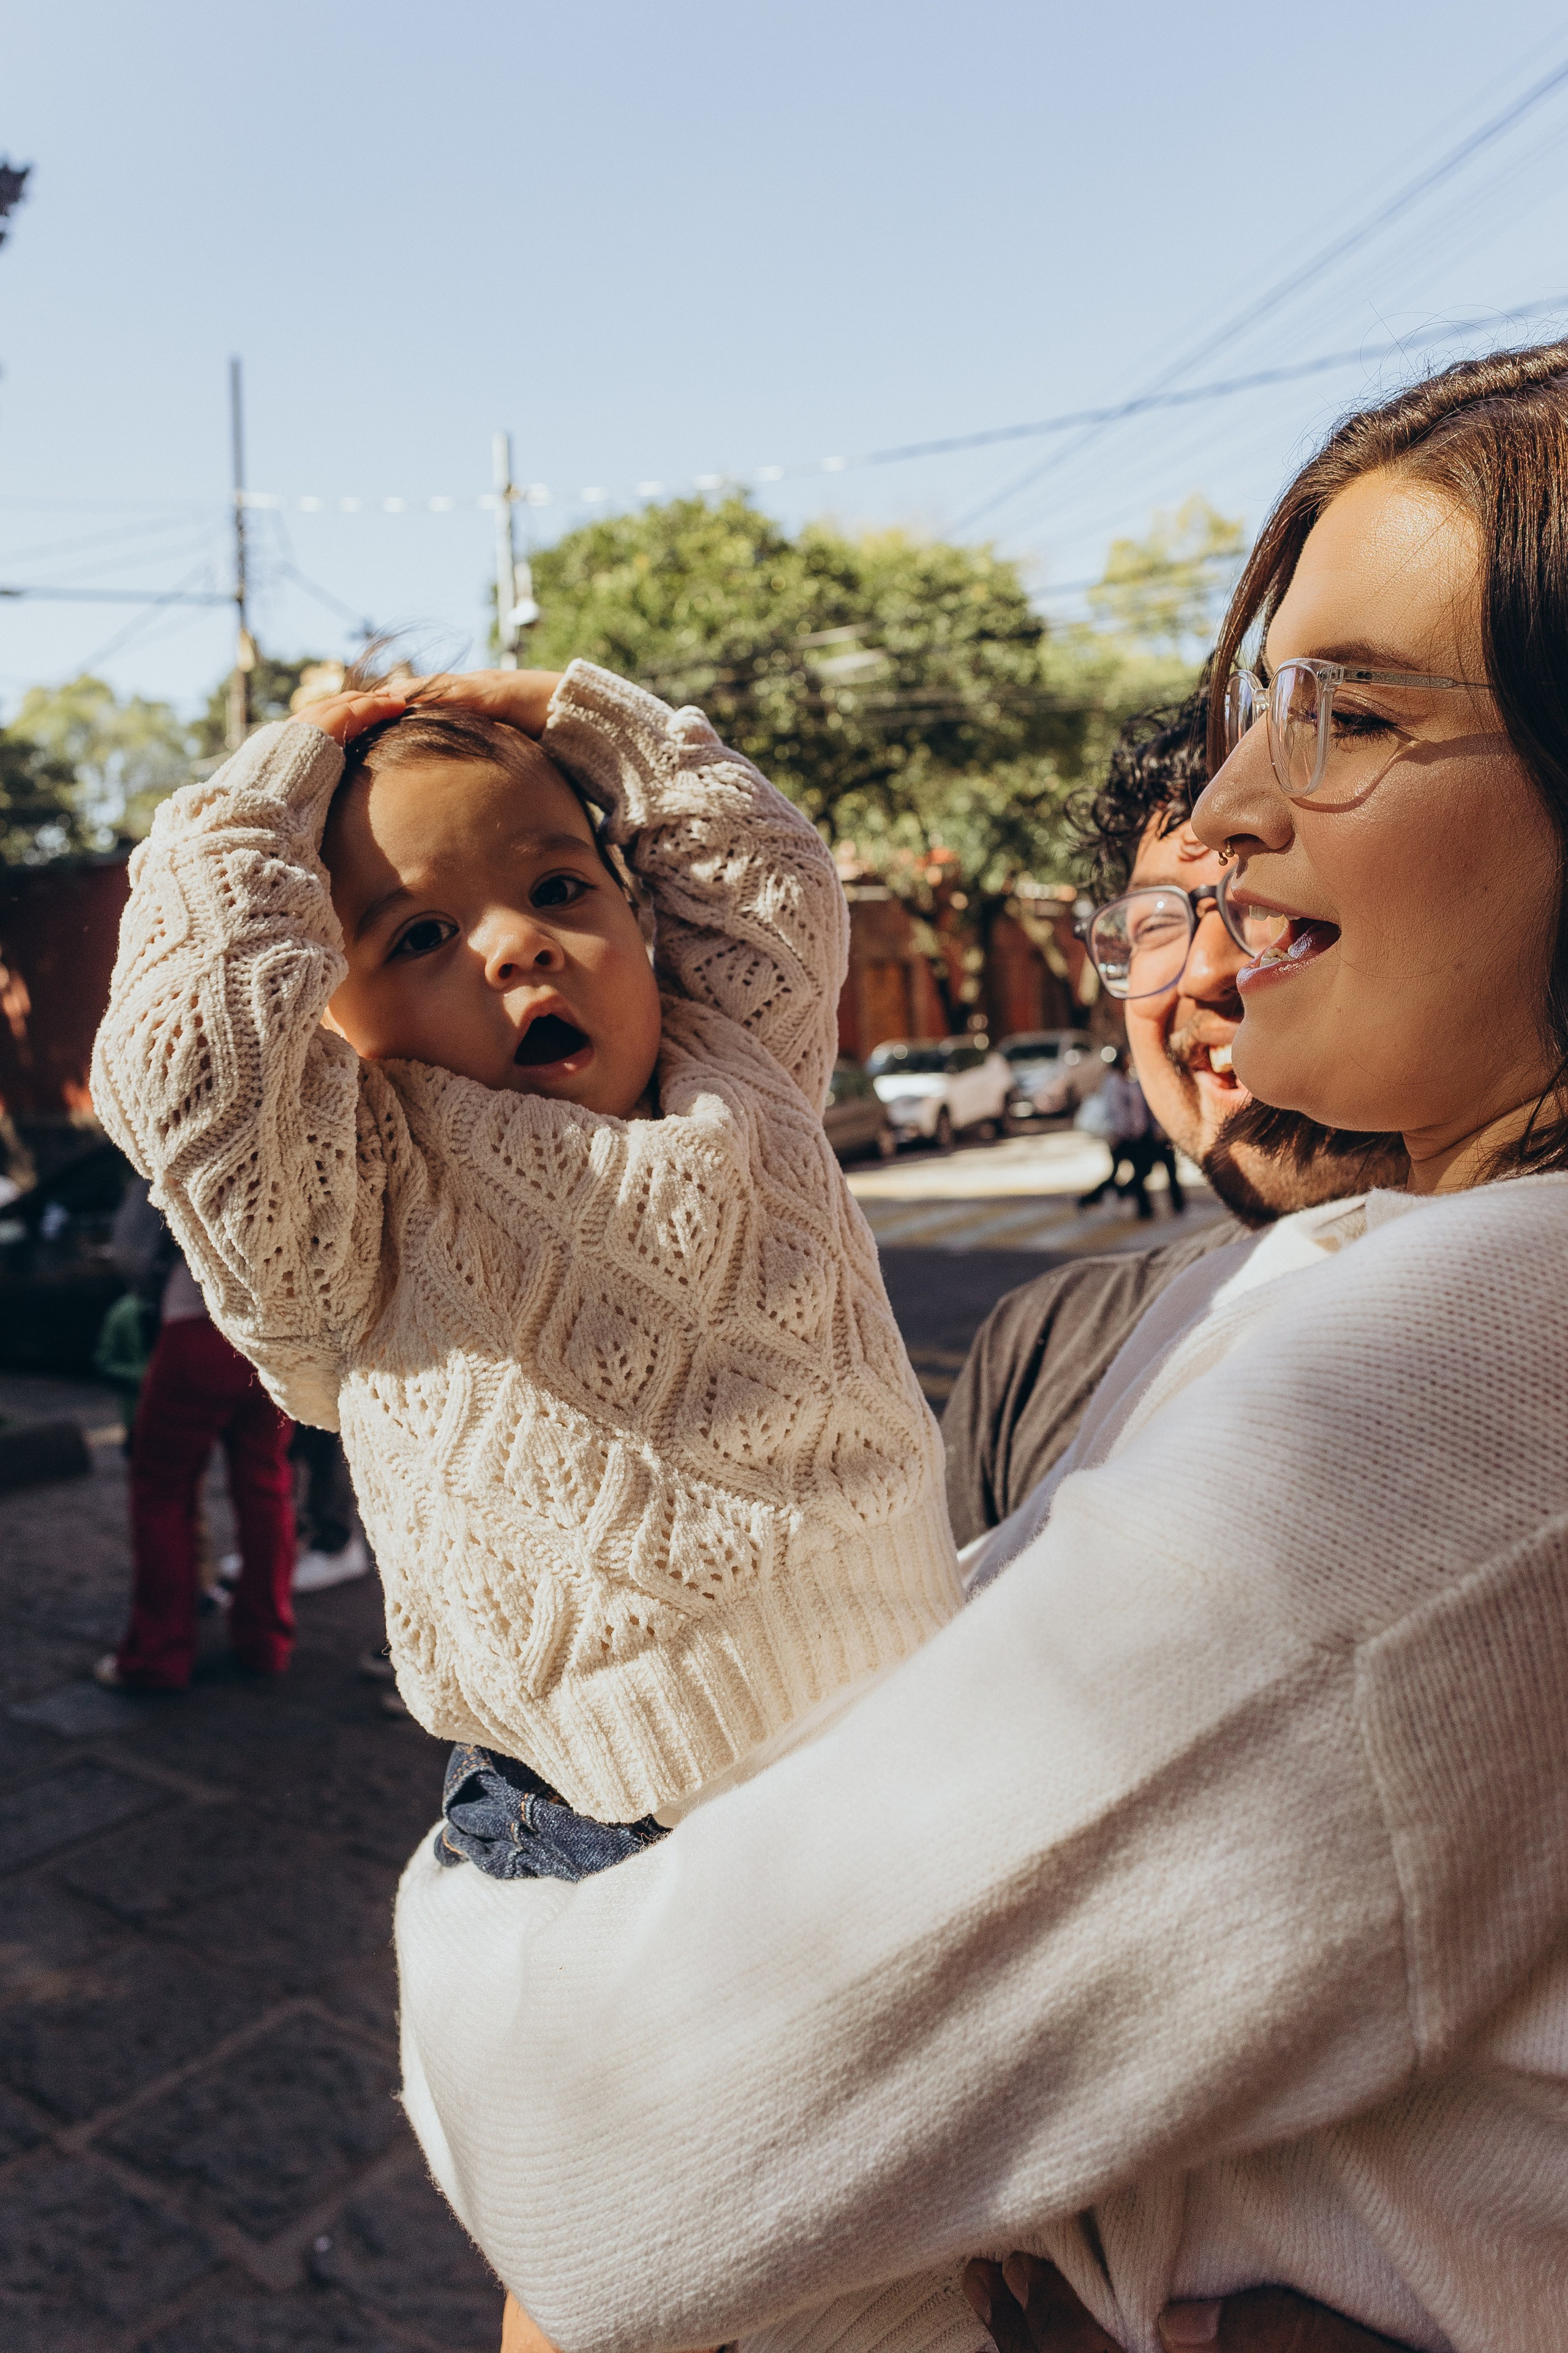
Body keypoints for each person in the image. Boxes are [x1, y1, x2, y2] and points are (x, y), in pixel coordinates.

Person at [390, 340, 1568, 2353]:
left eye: (1353, 714)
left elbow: (612, 2161)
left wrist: (485, 1864)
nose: (1231, 810)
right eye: (1250, 709)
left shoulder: (1479, 1358)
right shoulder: (1354, 1278)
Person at [91, 656, 960, 1847]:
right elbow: (189, 1058)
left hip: (920, 1680)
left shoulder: (737, 1059)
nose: (517, 946)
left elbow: (766, 872)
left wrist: (586, 718)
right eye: (422, 935)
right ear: (326, 1026)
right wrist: (266, 788)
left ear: (635, 911)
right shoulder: (361, 1191)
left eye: (558, 886)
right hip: (604, 1810)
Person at [944, 698, 1403, 1545]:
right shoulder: (1041, 1345)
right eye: (1157, 920)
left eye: (1263, 898)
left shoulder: (1513, 1331)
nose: (1203, 969)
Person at [95, 1178, 296, 1691]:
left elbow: (131, 1245)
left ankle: (158, 1653)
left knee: (161, 1488)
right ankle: (266, 1640)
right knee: (266, 1485)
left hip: (198, 1323)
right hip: (278, 1335)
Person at [1074, 1046, 1155, 1215]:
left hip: (1136, 1135)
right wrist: (1121, 1133)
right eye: (1127, 1059)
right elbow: (1116, 1111)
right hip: (1122, 1136)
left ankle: (1137, 1203)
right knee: (1133, 1171)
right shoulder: (1113, 1082)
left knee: (1139, 1170)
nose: (1130, 1062)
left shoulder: (1130, 1080)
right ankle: (1138, 1205)